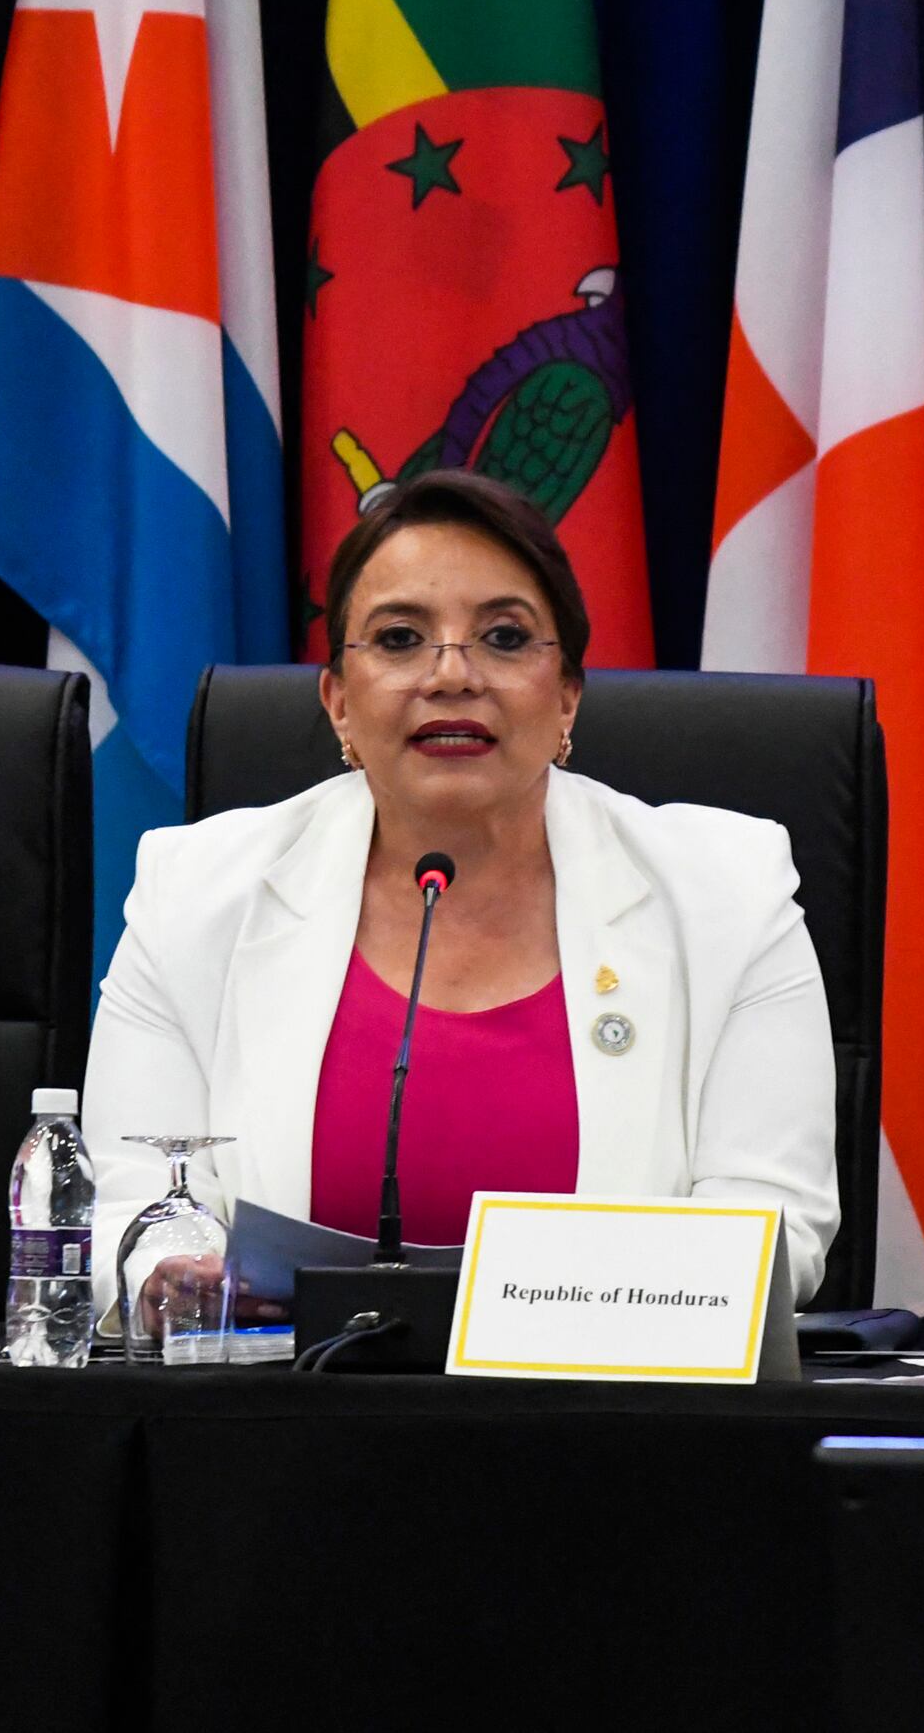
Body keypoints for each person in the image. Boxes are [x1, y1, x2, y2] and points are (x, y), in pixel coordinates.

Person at [83, 473, 841, 1304]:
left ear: (567, 699)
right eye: (401, 637)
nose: (451, 674)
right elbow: (133, 1202)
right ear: (338, 702)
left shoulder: (728, 894)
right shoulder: (194, 894)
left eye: (506, 638)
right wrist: (171, 1278)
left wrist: (539, 1307)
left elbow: (774, 1225)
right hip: (290, 1411)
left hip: (610, 1417)